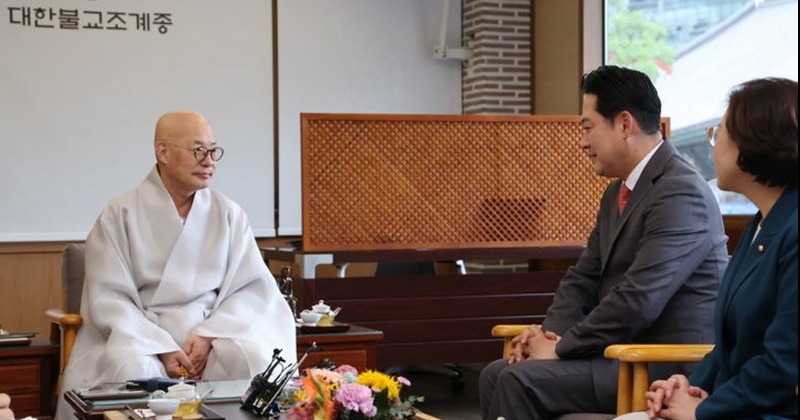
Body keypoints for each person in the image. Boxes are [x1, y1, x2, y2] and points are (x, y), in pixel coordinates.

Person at [478, 65, 729, 420]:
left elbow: (638, 299)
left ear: (625, 124)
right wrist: (547, 335)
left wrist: (563, 347)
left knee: (520, 381)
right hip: (616, 354)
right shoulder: (618, 192)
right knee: (495, 374)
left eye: (587, 127)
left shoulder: (680, 191)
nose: (582, 141)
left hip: (659, 364)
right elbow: (582, 278)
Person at [55, 111, 296, 420]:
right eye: (198, 150)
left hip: (212, 332)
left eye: (213, 150)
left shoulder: (228, 214)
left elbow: (251, 288)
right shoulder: (120, 214)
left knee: (254, 360)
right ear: (163, 151)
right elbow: (109, 298)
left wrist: (210, 334)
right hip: (142, 335)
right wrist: (163, 347)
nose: (209, 160)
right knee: (132, 368)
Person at [637, 78, 798, 419]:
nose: (713, 143)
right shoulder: (761, 223)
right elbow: (731, 348)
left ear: (753, 142)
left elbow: (784, 365)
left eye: (719, 131)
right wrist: (687, 385)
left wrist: (703, 409)